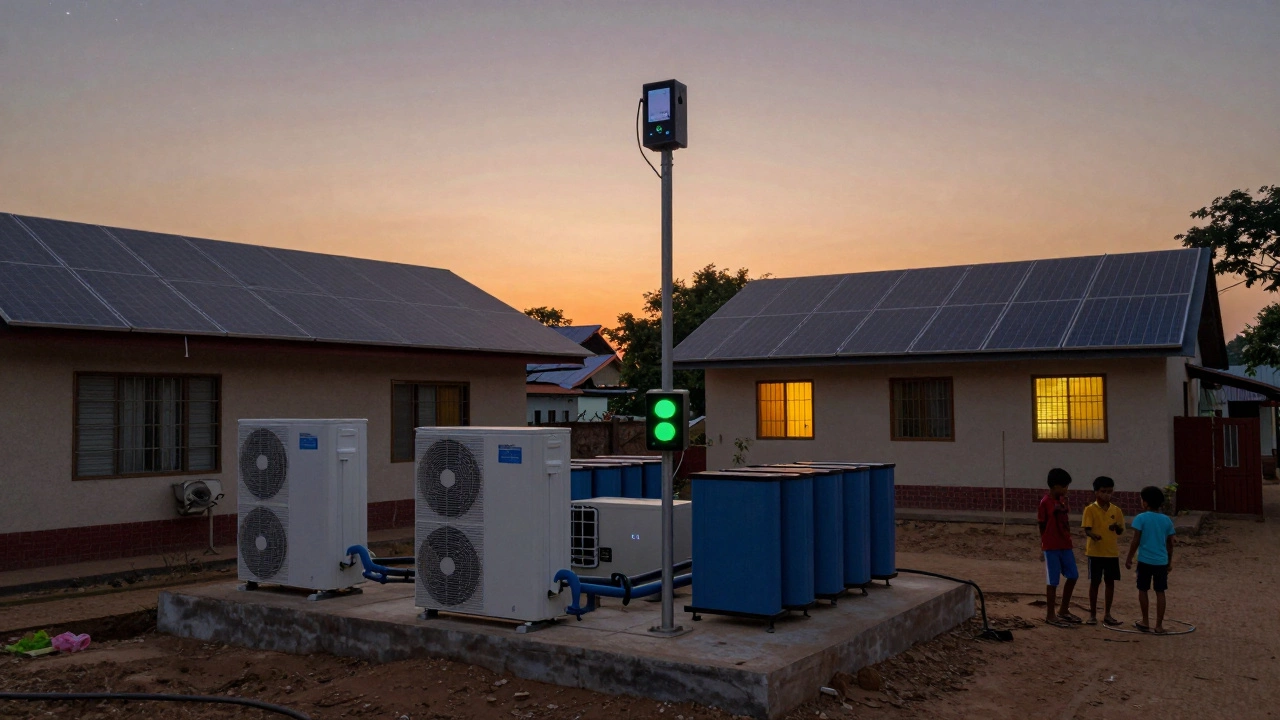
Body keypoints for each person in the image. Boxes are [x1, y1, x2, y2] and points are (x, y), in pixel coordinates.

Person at [1125, 486, 1176, 634]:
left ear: (1145, 502)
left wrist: (1129, 558)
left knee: (1143, 590)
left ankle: (1145, 620)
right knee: (1160, 591)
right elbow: (1170, 544)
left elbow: (1135, 541)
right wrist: (1169, 562)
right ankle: (1159, 625)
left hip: (1145, 560)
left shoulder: (1141, 518)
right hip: (1161, 561)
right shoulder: (1166, 520)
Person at [1038, 468, 1080, 627]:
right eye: (1064, 487)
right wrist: (1043, 545)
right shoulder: (1045, 502)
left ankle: (1063, 609)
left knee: (1073, 575)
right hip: (1051, 546)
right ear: (1055, 486)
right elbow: (1041, 524)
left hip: (1065, 544)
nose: (1066, 490)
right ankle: (1050, 614)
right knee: (1053, 581)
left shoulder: (1063, 501)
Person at [1081, 476, 1125, 626]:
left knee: (1110, 582)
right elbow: (1087, 530)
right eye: (1103, 491)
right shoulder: (1090, 509)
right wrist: (1094, 535)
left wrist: (1116, 527)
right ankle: (1092, 614)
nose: (1107, 494)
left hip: (1111, 552)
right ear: (1096, 492)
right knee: (1095, 582)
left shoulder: (1116, 510)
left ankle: (1107, 614)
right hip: (1095, 552)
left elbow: (1120, 530)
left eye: (1110, 491)